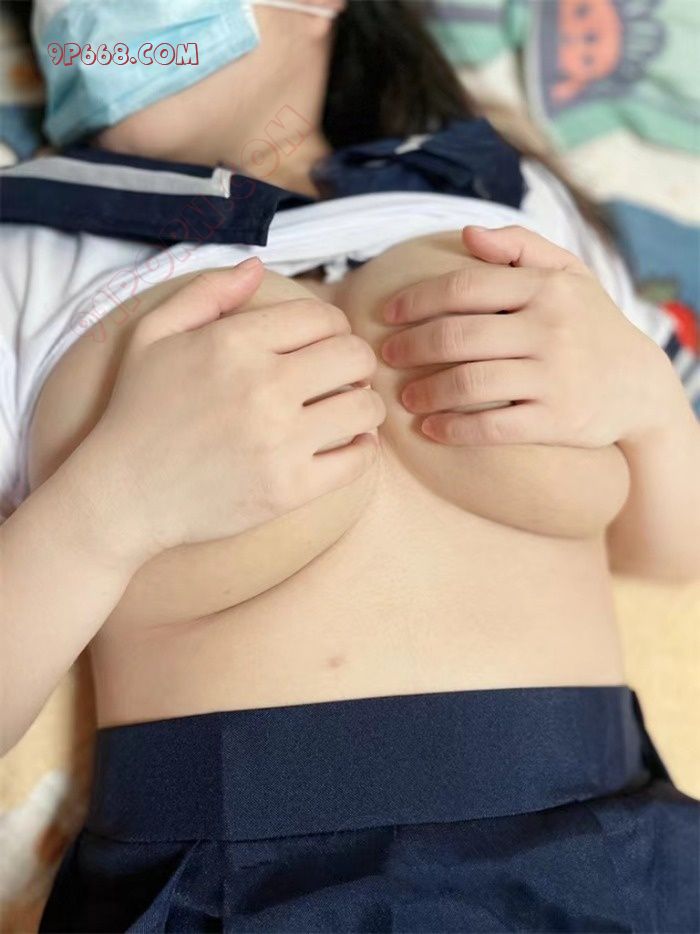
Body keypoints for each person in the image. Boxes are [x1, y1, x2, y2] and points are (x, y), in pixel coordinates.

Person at [0, 1, 698, 930]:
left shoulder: (515, 199)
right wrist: (106, 514)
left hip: (622, 872)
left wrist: (650, 402)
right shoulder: (25, 251)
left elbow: (671, 553)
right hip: (232, 894)